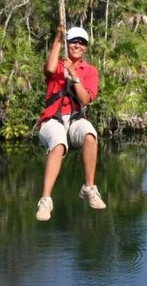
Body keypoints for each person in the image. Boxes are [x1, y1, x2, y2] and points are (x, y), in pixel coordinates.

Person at [35, 20, 106, 221]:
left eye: (82, 43)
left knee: (90, 135)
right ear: (68, 44)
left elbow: (85, 99)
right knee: (58, 144)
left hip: (75, 119)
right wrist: (58, 39)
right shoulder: (57, 65)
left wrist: (73, 74)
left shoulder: (90, 71)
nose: (77, 45)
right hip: (52, 120)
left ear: (86, 48)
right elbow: (49, 69)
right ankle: (45, 200)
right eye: (74, 41)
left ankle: (89, 188)